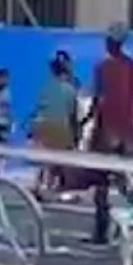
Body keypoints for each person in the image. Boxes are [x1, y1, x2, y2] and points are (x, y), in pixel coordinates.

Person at [88, 23, 133, 245]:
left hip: (107, 130)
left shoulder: (103, 68)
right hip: (127, 131)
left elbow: (98, 100)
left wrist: (88, 122)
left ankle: (101, 231)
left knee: (101, 183)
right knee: (125, 180)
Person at [31, 51, 81, 196]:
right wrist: (75, 134)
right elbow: (73, 114)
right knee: (57, 160)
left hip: (44, 127)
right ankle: (52, 188)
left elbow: (40, 109)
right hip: (60, 128)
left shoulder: (46, 88)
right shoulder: (70, 90)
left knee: (45, 160)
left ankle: (39, 186)